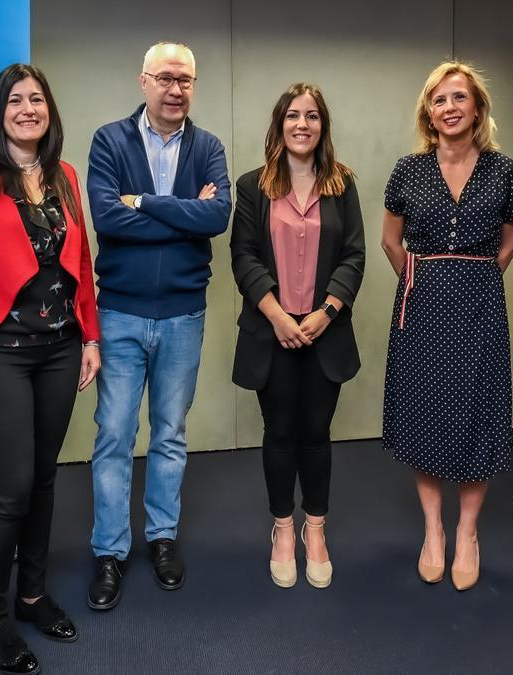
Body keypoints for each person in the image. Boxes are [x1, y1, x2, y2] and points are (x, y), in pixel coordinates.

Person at [0, 64, 100, 675]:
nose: (28, 108)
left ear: (49, 109)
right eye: (16, 100)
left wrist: (90, 336)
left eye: (37, 99)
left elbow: (81, 262)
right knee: (12, 491)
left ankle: (32, 595)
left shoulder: (64, 176)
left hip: (61, 346)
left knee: (46, 479)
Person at [84, 41, 231, 610]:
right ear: (143, 81)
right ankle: (110, 551)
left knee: (169, 435)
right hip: (118, 312)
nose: (176, 90)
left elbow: (216, 217)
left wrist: (143, 202)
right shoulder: (109, 140)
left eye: (186, 80)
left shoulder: (209, 146)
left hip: (182, 315)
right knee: (115, 435)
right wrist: (180, 212)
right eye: (166, 78)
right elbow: (106, 217)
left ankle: (162, 538)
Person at [380, 62, 513, 592]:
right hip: (421, 307)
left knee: (480, 413)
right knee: (426, 412)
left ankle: (467, 533)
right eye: (439, 100)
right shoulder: (407, 170)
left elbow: (508, 242)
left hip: (481, 303)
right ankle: (433, 531)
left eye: (459, 97)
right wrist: (424, 281)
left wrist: (473, 281)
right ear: (429, 112)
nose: (450, 108)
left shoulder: (504, 170)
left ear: (477, 108)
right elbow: (391, 241)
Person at [230, 83, 365, 589]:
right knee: (280, 434)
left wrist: (326, 311)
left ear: (322, 125)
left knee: (317, 434)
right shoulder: (252, 186)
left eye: (312, 116)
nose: (302, 124)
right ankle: (283, 530)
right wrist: (277, 315)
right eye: (293, 115)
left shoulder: (343, 185)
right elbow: (242, 256)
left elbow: (354, 255)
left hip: (324, 333)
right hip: (274, 334)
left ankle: (316, 530)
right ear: (279, 124)